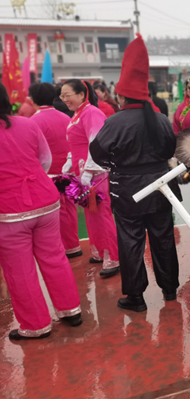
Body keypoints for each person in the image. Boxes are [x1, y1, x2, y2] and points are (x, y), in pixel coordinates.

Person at [90, 34, 180, 312]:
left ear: (121, 95)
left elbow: (98, 154)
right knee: (163, 237)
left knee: (130, 241)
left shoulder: (115, 122)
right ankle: (169, 289)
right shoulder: (161, 119)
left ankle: (136, 297)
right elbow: (170, 149)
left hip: (127, 191)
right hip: (161, 187)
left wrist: (120, 165)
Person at [0, 83, 82, 340]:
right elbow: (44, 160)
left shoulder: (33, 120)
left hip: (10, 210)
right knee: (55, 257)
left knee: (20, 269)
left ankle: (35, 325)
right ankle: (71, 310)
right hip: (45, 200)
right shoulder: (27, 123)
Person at [60, 78, 120, 277]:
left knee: (102, 215)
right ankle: (100, 252)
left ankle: (113, 257)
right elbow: (77, 143)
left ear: (81, 94)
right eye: (62, 95)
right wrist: (70, 161)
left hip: (95, 174)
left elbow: (97, 143)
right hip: (83, 173)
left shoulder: (91, 113)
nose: (64, 99)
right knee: (91, 215)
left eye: (67, 95)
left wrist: (88, 171)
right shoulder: (78, 114)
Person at [29, 83, 81, 258]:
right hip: (68, 170)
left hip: (48, 173)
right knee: (70, 209)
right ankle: (73, 245)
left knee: (55, 212)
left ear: (33, 99)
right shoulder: (66, 117)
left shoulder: (33, 121)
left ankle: (64, 247)